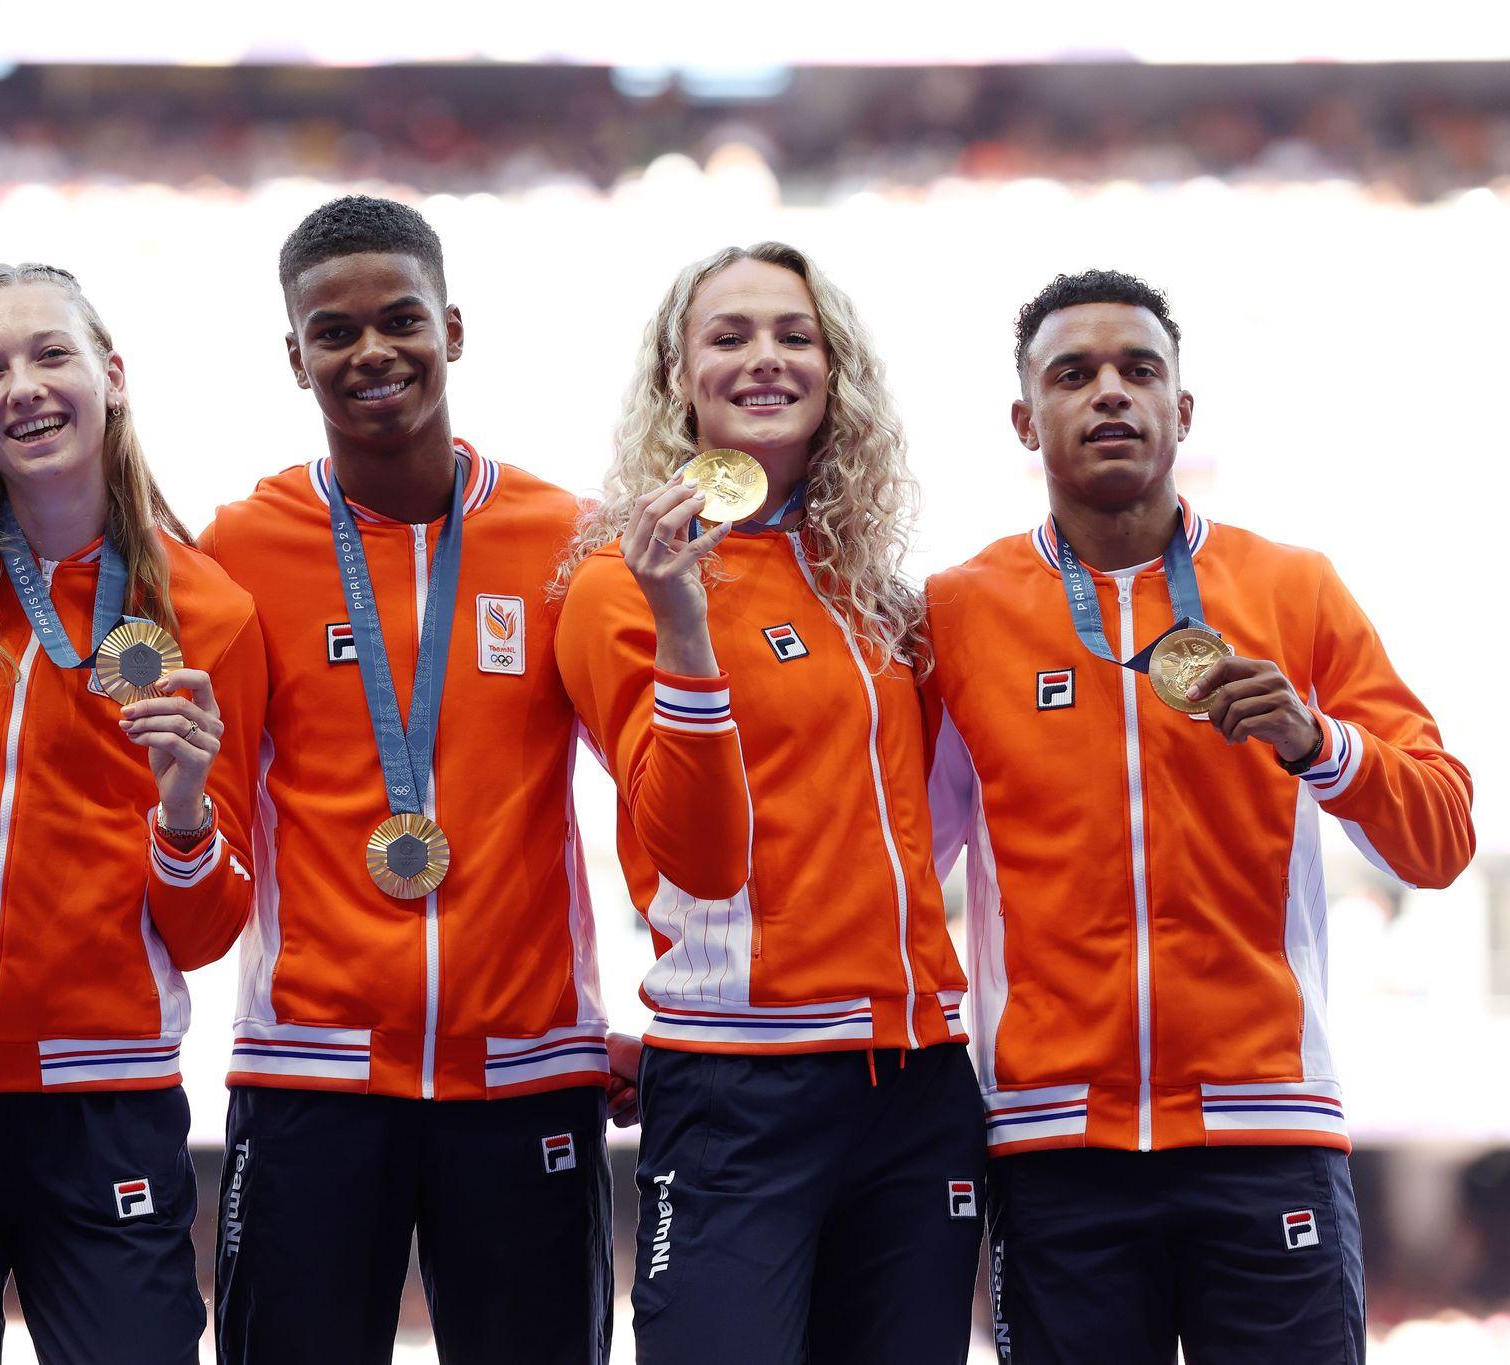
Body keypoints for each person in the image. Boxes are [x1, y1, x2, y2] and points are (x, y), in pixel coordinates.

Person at [925, 269, 1476, 1363]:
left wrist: (1319, 745)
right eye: (1072, 374)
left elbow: (1440, 839)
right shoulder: (956, 613)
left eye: (1139, 370)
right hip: (1053, 1141)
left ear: (1182, 410)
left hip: (1264, 1127)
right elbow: (889, 862)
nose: (1109, 395)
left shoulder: (1291, 588)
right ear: (1022, 419)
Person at [200, 196, 613, 1365]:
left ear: (455, 330)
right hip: (311, 1073)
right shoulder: (238, 545)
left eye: (400, 320)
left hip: (522, 1068)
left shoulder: (569, 539)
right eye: (331, 333)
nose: (370, 352)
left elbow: (651, 779)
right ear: (294, 359)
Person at [556, 242, 985, 1364]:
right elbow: (695, 856)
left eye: (796, 336)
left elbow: (905, 829)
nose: (766, 360)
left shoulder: (868, 590)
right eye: (729, 336)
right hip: (740, 1085)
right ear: (674, 376)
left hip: (913, 1077)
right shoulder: (617, 584)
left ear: (835, 373)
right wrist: (683, 625)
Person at [0, 263, 265, 1365]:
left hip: (104, 1100)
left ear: (111, 376)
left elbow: (209, 930)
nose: (22, 387)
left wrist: (180, 815)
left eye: (49, 355)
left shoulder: (206, 608)